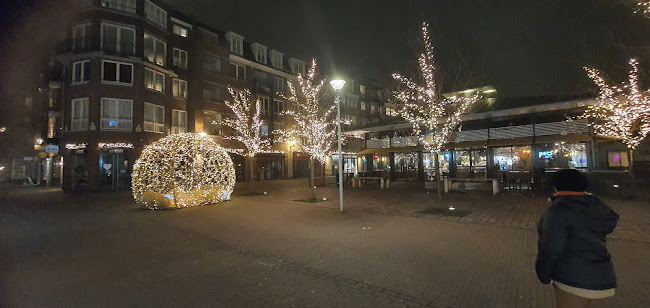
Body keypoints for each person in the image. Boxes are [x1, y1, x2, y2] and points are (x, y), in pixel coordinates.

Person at [535, 169, 619, 308]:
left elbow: (550, 247)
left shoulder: (559, 210)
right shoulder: (596, 206)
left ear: (558, 186)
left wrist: (543, 274)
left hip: (571, 279)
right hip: (602, 277)